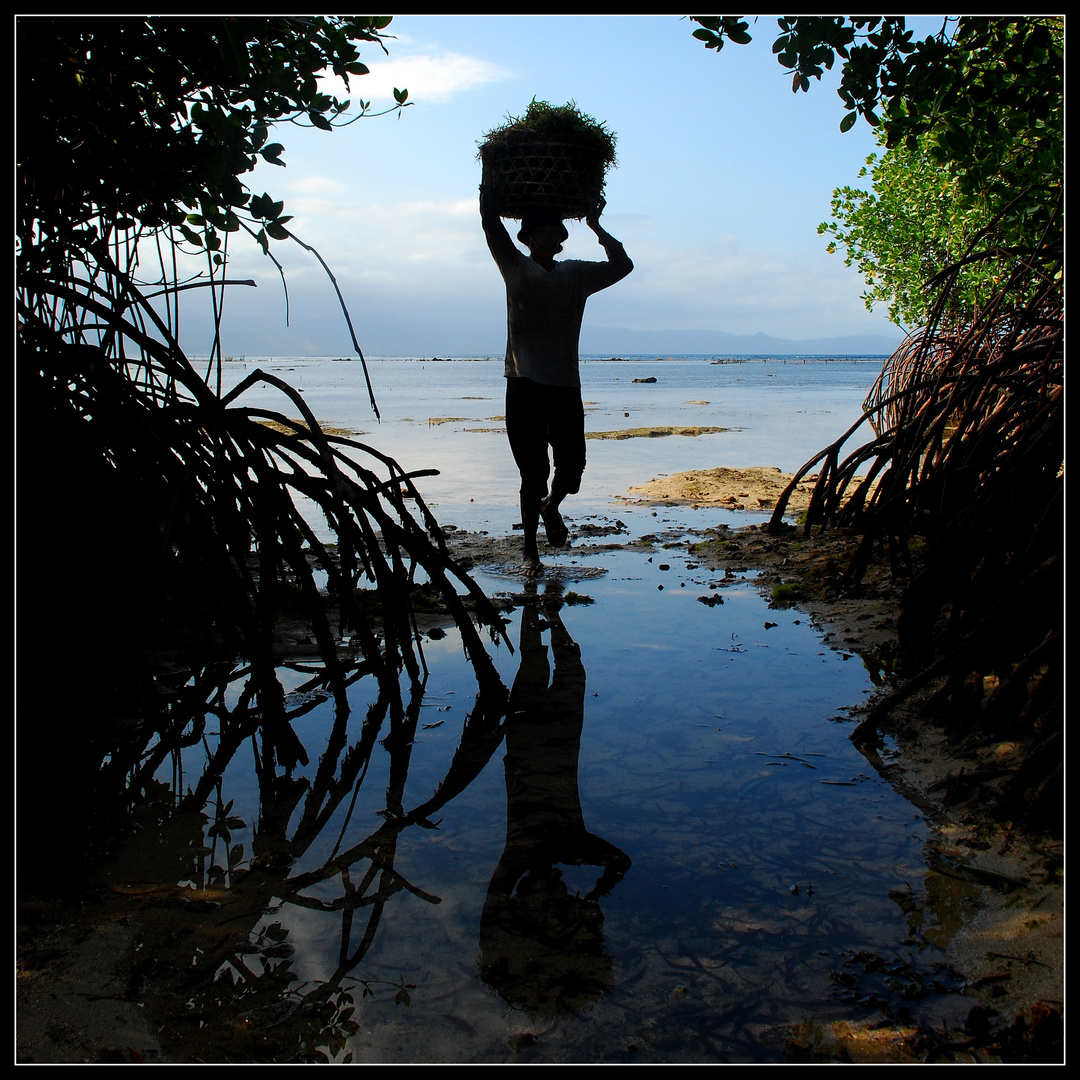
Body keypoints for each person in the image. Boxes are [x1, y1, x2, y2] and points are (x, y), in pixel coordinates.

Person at [480, 182, 633, 576]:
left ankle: (552, 506)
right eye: (541, 232)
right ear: (527, 238)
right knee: (532, 473)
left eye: (555, 233)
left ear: (563, 241)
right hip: (524, 384)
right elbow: (488, 221)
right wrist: (489, 173)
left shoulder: (577, 275)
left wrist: (597, 227)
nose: (549, 237)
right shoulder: (514, 265)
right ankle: (530, 549)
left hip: (565, 385)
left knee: (572, 470)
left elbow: (623, 266)